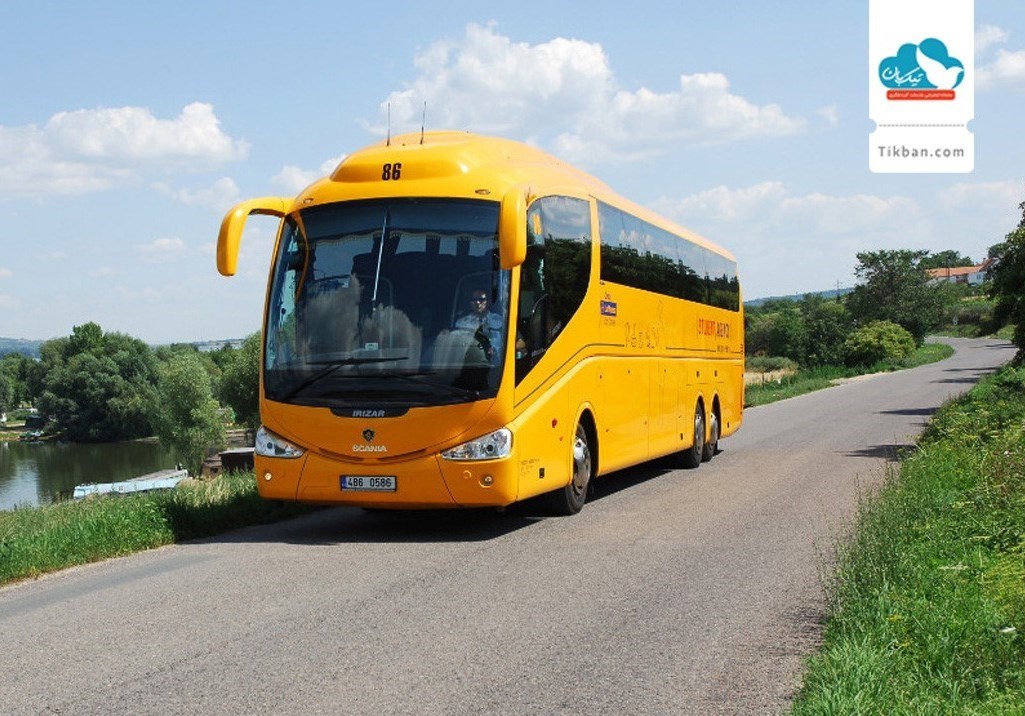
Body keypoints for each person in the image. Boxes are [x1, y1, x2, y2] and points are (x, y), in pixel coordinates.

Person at [454, 289, 504, 361]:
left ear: (488, 302)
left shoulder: (500, 322)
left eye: (481, 299)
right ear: (470, 303)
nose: (477, 302)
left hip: (497, 365)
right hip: (471, 363)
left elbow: (515, 342)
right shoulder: (461, 323)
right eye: (474, 299)